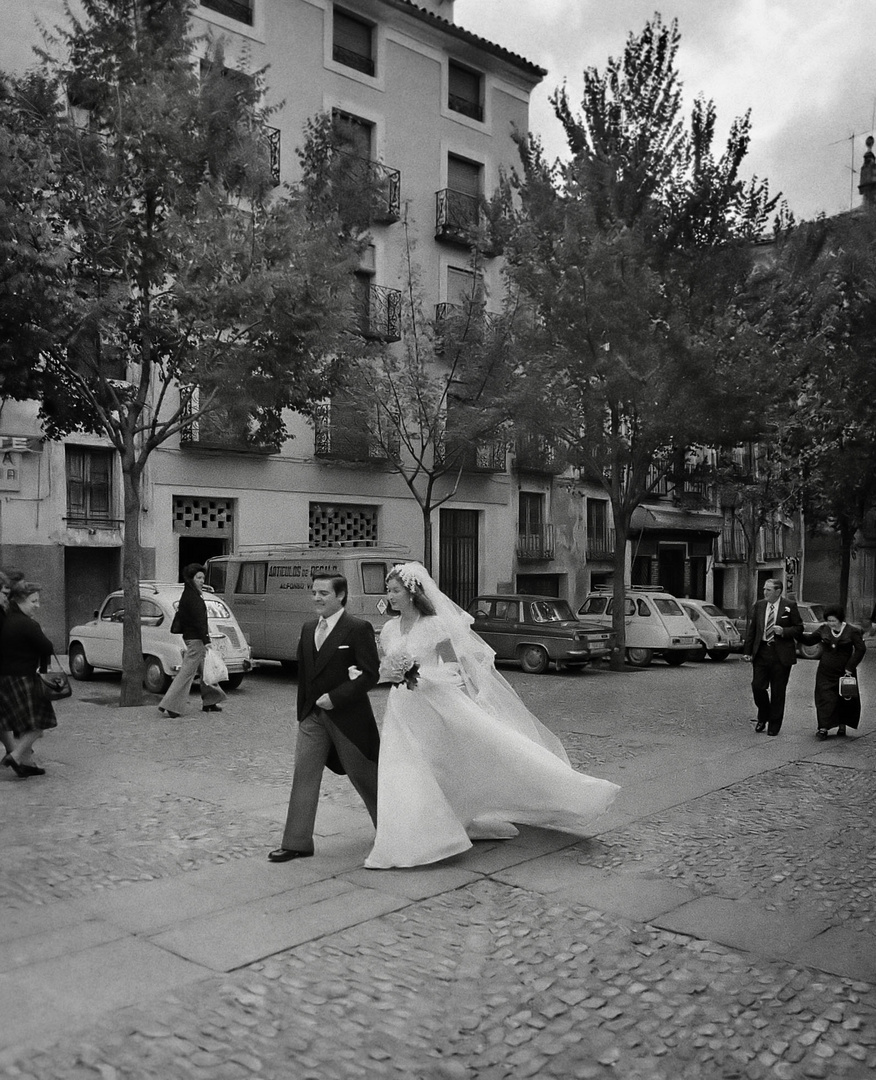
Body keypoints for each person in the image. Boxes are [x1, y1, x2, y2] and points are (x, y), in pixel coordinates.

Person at [364, 563, 620, 870]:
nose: (390, 596)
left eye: (396, 591)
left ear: (412, 593)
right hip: (402, 707)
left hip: (435, 702)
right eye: (388, 591)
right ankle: (412, 836)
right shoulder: (389, 630)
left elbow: (458, 662)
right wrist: (387, 673)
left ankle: (567, 791)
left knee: (459, 759)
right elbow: (384, 667)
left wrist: (444, 681)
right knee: (404, 767)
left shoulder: (433, 625)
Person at [268, 574, 380, 863]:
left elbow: (370, 674)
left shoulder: (358, 629)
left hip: (349, 719)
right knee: (303, 775)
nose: (317, 598)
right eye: (314, 592)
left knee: (365, 777)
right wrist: (303, 712)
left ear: (341, 596)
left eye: (324, 593)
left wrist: (337, 697)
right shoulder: (307, 629)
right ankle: (297, 842)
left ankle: (391, 829)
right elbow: (304, 674)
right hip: (312, 717)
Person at [0, 580, 59, 778]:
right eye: (34, 601)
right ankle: (15, 756)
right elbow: (47, 647)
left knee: (24, 725)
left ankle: (26, 763)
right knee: (39, 723)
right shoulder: (26, 624)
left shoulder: (8, 619)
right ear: (21, 600)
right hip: (23, 679)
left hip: (7, 678)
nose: (37, 605)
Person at [158, 563, 226, 718]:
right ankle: (171, 705)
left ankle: (211, 700)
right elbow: (199, 621)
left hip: (193, 638)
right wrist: (206, 639)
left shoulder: (189, 594)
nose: (202, 581)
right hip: (196, 640)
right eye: (199, 578)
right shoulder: (193, 597)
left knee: (206, 670)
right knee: (186, 674)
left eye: (203, 577)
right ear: (191, 579)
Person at [742, 578, 804, 736]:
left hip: (781, 655)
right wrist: (747, 652)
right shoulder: (760, 605)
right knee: (757, 686)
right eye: (764, 589)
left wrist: (784, 631)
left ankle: (774, 725)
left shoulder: (789, 606)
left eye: (768, 590)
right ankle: (763, 714)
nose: (764, 592)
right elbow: (753, 629)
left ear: (778, 591)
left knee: (778, 691)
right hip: (762, 652)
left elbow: (799, 628)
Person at [800, 605, 866, 739]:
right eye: (829, 621)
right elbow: (809, 640)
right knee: (825, 698)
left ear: (840, 620)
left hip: (845, 672)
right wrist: (796, 632)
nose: (831, 624)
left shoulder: (852, 631)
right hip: (825, 671)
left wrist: (850, 667)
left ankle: (842, 725)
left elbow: (860, 649)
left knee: (844, 698)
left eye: (833, 621)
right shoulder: (823, 629)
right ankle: (823, 728)